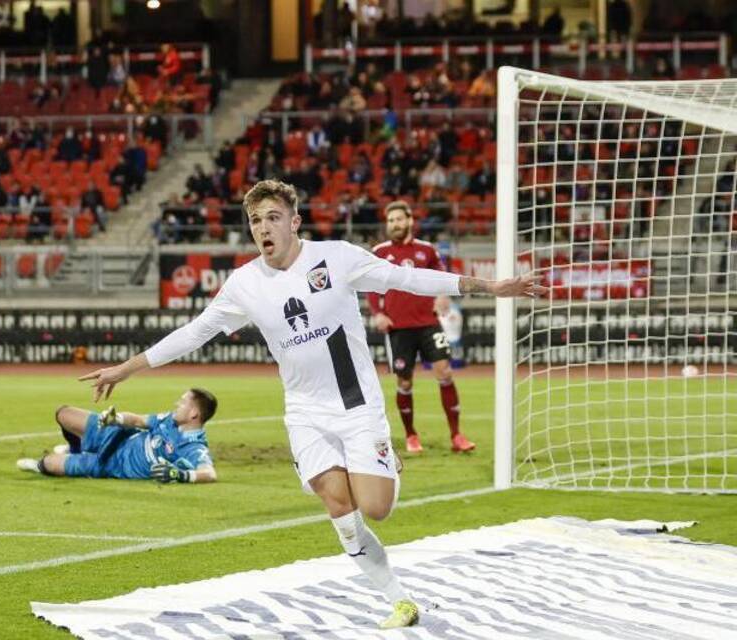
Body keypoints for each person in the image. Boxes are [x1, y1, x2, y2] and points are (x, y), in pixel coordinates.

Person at [78, 180, 544, 630]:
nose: (263, 227)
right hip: (305, 414)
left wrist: (491, 287)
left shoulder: (336, 258)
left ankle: (388, 463)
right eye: (256, 220)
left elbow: (408, 278)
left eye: (273, 217)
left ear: (295, 221)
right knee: (340, 510)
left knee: (375, 508)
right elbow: (194, 332)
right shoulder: (244, 284)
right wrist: (127, 367)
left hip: (357, 406)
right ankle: (398, 598)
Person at [368, 201, 475, 454]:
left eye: (398, 219)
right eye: (390, 220)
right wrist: (378, 313)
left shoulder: (426, 251)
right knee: (404, 383)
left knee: (445, 373)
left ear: (409, 221)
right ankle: (411, 435)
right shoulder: (379, 252)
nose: (395, 224)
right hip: (398, 327)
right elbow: (372, 286)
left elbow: (443, 277)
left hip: (428, 323)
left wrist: (443, 295)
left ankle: (457, 435)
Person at [16, 389, 217, 483]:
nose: (176, 404)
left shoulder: (193, 447)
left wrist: (180, 474)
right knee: (63, 413)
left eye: (182, 403)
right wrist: (117, 419)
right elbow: (138, 420)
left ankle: (67, 458)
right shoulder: (170, 419)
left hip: (112, 464)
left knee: (48, 464)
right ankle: (75, 449)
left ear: (193, 414)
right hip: (115, 435)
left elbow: (209, 473)